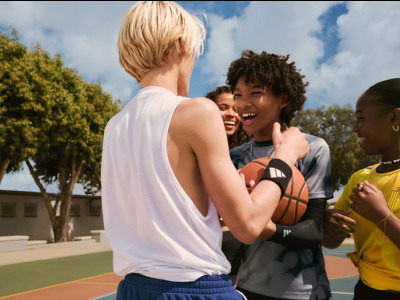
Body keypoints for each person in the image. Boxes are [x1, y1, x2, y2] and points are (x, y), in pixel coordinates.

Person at [101, 2, 309, 299]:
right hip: (196, 289)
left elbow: (166, 208)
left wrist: (215, 206)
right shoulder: (197, 111)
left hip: (134, 289)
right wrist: (285, 156)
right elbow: (248, 226)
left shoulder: (115, 126)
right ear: (181, 45)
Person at [227, 50, 334, 300]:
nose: (243, 104)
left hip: (302, 291)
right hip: (247, 286)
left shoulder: (312, 148)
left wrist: (268, 229)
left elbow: (315, 229)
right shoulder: (235, 157)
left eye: (255, 93)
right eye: (238, 96)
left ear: (283, 98)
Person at [322, 78, 400, 300]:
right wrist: (328, 223)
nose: (355, 128)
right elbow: (332, 241)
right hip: (365, 292)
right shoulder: (361, 178)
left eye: (361, 118)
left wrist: (381, 216)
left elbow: (380, 217)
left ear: (395, 118)